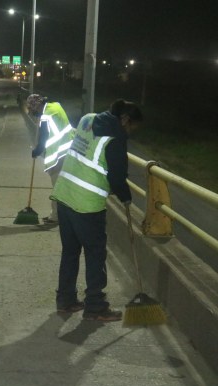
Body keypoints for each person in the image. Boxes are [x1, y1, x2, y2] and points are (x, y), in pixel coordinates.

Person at [50, 99, 143, 321]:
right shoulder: (116, 139)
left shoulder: (87, 119)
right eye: (133, 127)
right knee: (95, 254)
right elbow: (117, 177)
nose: (131, 132)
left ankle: (66, 300)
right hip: (86, 205)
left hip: (64, 194)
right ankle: (95, 306)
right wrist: (126, 198)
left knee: (70, 251)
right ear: (125, 119)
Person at [26, 94, 75, 224]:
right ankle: (58, 215)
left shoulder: (46, 116)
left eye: (34, 111)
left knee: (58, 187)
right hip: (68, 150)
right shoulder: (55, 107)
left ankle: (56, 217)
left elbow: (43, 139)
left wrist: (36, 151)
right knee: (62, 186)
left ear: (37, 107)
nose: (34, 114)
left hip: (60, 155)